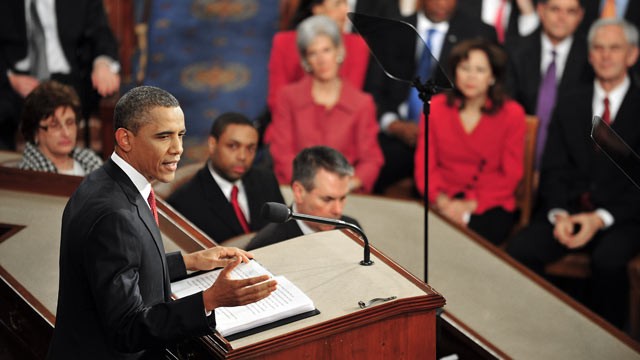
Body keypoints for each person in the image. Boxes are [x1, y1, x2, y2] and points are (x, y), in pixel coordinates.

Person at [47, 86, 277, 359]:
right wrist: (210, 300)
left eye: (180, 135)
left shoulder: (106, 180)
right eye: (163, 136)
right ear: (125, 139)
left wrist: (191, 261)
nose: (178, 149)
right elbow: (127, 328)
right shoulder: (114, 215)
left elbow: (124, 265)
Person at [507, 19, 640, 330]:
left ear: (631, 55)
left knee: (608, 261)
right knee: (520, 250)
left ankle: (610, 344)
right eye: (599, 48)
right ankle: (536, 332)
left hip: (620, 218)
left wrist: (600, 219)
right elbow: (553, 168)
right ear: (589, 55)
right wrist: (559, 213)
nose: (606, 56)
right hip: (567, 210)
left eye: (615, 48)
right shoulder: (569, 102)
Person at [367, 0, 498, 194]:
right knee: (369, 172)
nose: (442, 3)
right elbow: (373, 91)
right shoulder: (392, 30)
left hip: (450, 144)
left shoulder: (478, 33)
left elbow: (488, 96)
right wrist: (393, 124)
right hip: (396, 135)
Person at [415, 39, 526, 245]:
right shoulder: (435, 108)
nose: (471, 76)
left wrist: (469, 205)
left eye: (480, 70)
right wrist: (443, 202)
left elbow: (511, 176)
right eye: (465, 68)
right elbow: (425, 165)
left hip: (489, 203)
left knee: (468, 243)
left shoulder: (512, 114)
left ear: (493, 76)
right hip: (440, 199)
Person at [265, 15, 383, 193]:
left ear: (339, 51)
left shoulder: (362, 103)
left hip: (344, 195)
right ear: (306, 61)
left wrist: (345, 186)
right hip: (298, 190)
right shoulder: (288, 97)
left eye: (326, 50)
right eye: (313, 53)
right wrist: (310, 188)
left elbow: (371, 159)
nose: (321, 59)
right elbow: (282, 154)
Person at [0, 0, 121, 150]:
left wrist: (102, 63)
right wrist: (10, 78)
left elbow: (101, 34)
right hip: (15, 80)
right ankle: (8, 171)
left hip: (70, 78)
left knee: (65, 110)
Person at [167, 112, 285, 242]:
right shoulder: (183, 203)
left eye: (250, 149)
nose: (242, 156)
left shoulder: (266, 180)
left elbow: (283, 232)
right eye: (233, 146)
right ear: (212, 144)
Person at [506, 0, 592, 169]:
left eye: (570, 11)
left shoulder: (591, 59)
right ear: (541, 10)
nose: (562, 18)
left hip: (568, 170)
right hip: (515, 158)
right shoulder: (514, 51)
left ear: (580, 16)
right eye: (555, 9)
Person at [247, 146, 360, 250]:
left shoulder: (351, 229)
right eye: (327, 199)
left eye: (342, 198)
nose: (338, 210)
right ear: (299, 192)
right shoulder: (268, 245)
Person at [267, 0, 370, 111]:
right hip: (292, 120)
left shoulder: (357, 45)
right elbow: (276, 99)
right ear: (317, 8)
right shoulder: (284, 42)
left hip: (342, 122)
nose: (345, 10)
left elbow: (352, 98)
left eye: (346, 4)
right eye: (337, 4)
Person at [17, 81, 102, 175]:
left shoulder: (91, 161)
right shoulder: (29, 174)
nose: (66, 133)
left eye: (70, 123)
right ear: (35, 132)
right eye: (54, 125)